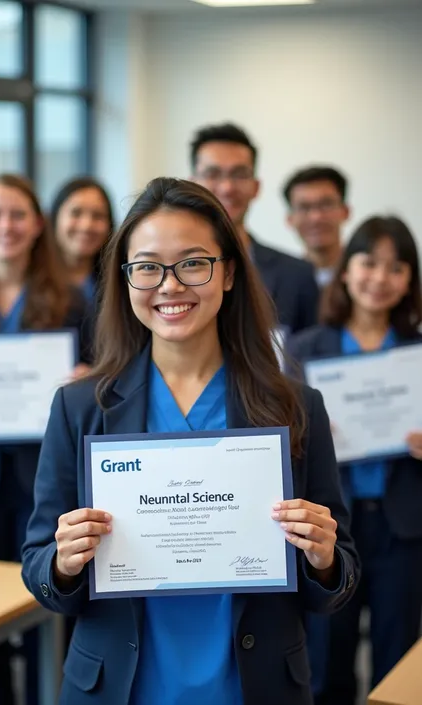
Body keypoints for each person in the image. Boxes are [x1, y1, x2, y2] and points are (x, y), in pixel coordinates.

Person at [22, 177, 359, 705]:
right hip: (119, 687)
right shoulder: (80, 406)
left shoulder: (297, 406)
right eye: (149, 266)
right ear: (126, 279)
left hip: (254, 686)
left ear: (227, 273)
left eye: (193, 263)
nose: (170, 285)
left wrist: (324, 558)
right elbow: (38, 564)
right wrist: (62, 563)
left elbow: (339, 577)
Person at [0, 174, 93, 705]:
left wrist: (90, 377)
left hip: (46, 478)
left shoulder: (75, 301)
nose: (5, 226)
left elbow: (110, 373)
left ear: (37, 225)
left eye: (17, 215)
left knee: (46, 608)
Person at [286, 216, 422, 705]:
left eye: (396, 267)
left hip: (403, 529)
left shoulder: (417, 353)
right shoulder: (304, 351)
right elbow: (279, 446)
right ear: (346, 270)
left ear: (410, 280)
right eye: (368, 263)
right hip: (328, 527)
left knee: (398, 662)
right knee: (325, 663)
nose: (379, 278)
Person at [191, 123, 319, 334]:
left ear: (256, 187)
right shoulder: (167, 274)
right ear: (193, 184)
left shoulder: (297, 274)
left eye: (239, 174)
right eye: (213, 174)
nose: (227, 187)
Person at [282, 166, 350, 289]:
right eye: (304, 207)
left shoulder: (367, 279)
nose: (316, 217)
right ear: (290, 219)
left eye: (326, 204)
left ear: (345, 212)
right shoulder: (281, 281)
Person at [50, 176, 114, 303]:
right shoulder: (27, 280)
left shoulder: (119, 281)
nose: (86, 226)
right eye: (76, 213)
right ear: (56, 218)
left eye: (97, 216)